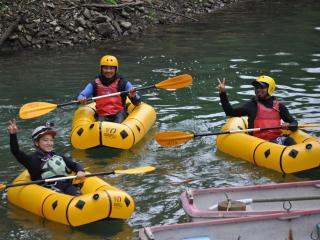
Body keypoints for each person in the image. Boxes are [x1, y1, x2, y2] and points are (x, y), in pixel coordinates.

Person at [8, 119, 86, 196]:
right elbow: (15, 151)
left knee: (78, 195)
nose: (49, 143)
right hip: (48, 190)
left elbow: (74, 165)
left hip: (66, 185)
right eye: (45, 140)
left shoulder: (58, 156)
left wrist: (80, 171)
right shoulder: (31, 160)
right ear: (36, 143)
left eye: (51, 140)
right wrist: (13, 135)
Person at [217, 75, 298, 146]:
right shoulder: (251, 105)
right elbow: (230, 112)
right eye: (256, 87)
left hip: (275, 140)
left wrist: (289, 125)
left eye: (262, 87)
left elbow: (294, 123)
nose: (258, 90)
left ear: (270, 88)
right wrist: (222, 93)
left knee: (289, 141)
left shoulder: (280, 106)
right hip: (257, 142)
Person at [77, 55, 141, 123]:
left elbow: (137, 102)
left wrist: (133, 96)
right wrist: (81, 98)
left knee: (118, 122)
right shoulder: (94, 83)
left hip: (119, 113)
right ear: (101, 69)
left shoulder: (123, 83)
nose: (108, 71)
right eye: (105, 68)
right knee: (99, 126)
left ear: (116, 69)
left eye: (111, 68)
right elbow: (82, 94)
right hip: (102, 114)